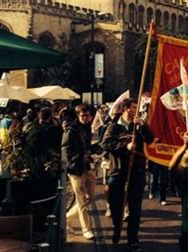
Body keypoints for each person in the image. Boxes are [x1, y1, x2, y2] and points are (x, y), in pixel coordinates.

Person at [101, 98, 154, 251]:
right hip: (117, 171)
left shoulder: (139, 126)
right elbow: (105, 144)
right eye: (133, 107)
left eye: (137, 107)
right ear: (125, 109)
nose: (136, 109)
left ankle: (133, 239)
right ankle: (117, 227)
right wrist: (125, 146)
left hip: (136, 171)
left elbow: (150, 139)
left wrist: (143, 126)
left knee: (135, 206)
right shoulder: (113, 126)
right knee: (116, 204)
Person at [61, 108, 95, 240]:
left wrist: (93, 150)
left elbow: (86, 147)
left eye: (87, 115)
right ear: (78, 116)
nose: (85, 118)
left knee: (90, 197)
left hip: (85, 166)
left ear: (91, 116)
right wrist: (79, 159)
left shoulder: (87, 128)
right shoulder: (71, 130)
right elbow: (65, 151)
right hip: (76, 169)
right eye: (82, 115)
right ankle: (87, 229)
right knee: (81, 198)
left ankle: (66, 219)